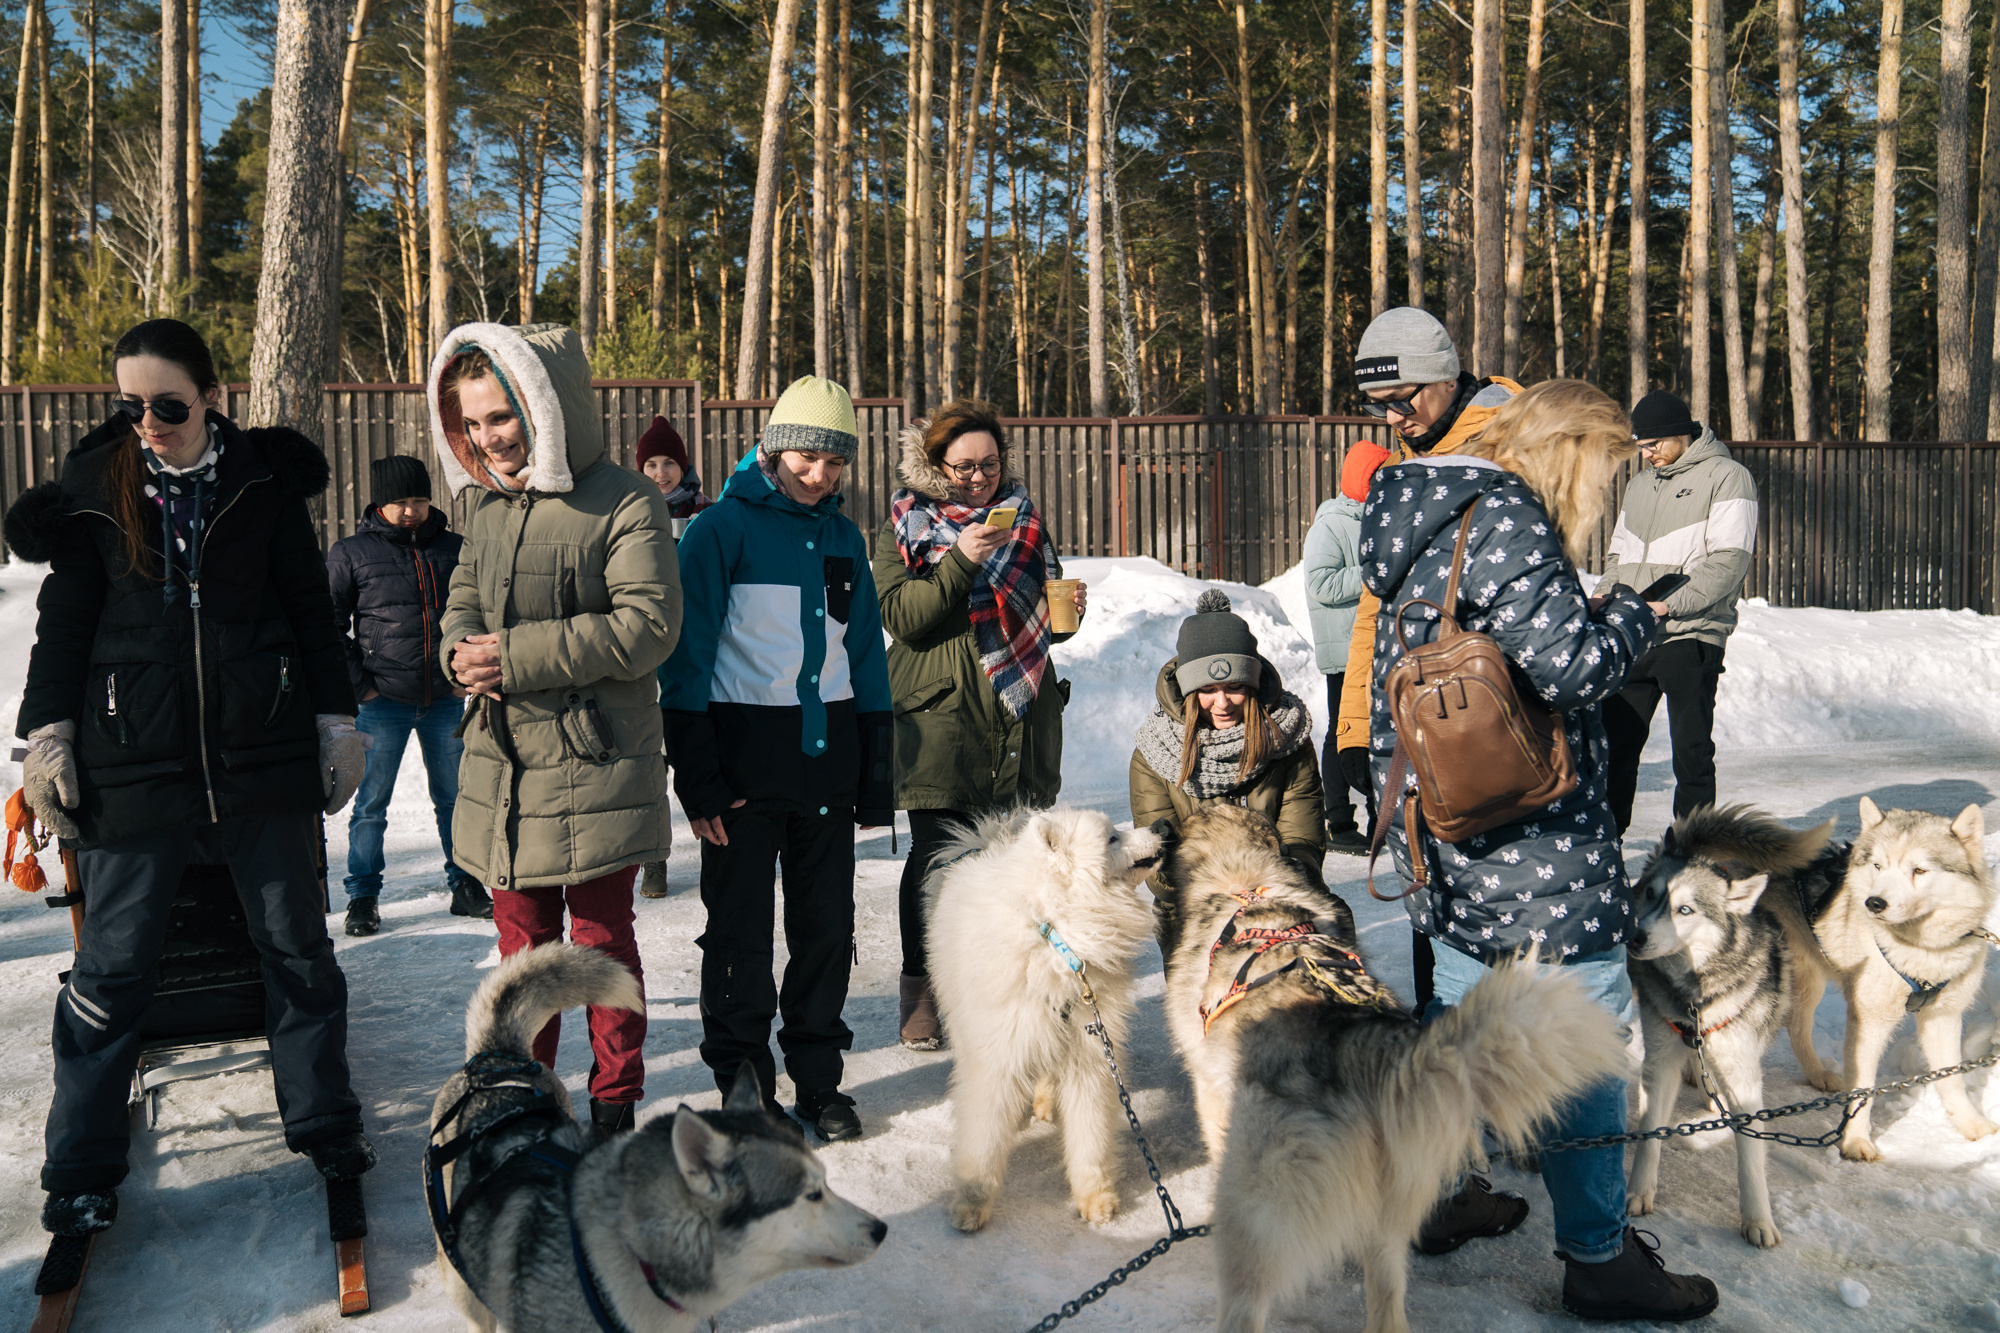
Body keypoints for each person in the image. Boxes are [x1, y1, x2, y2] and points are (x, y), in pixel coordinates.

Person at [7, 318, 375, 1238]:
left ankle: (324, 1121)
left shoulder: (261, 487)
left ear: (213, 396)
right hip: (132, 769)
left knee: (296, 950)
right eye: (130, 405)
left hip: (263, 761)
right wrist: (47, 736)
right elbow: (63, 629)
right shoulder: (95, 494)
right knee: (114, 966)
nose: (148, 422)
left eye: (167, 404)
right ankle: (82, 1163)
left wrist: (338, 723)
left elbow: (307, 611)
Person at [1360, 379, 1718, 1322]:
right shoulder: (1511, 514)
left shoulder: (1419, 507)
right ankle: (1600, 1258)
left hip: (1440, 815)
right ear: (1570, 454)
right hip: (1527, 836)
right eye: (1604, 474)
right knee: (1587, 1038)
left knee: (1457, 1026)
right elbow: (1572, 666)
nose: (1603, 497)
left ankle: (1437, 1197)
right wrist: (1635, 614)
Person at [433, 321, 681, 1140]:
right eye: (470, 423)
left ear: (545, 407)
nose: (486, 438)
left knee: (601, 944)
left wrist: (515, 656)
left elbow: (648, 626)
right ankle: (525, 1096)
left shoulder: (624, 498)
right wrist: (455, 655)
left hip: (596, 763)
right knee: (522, 953)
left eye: (499, 416)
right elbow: (462, 604)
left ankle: (614, 1100)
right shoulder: (483, 506)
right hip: (503, 768)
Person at [660, 375, 893, 1143]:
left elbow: (864, 657)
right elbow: (687, 660)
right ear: (771, 447)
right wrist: (696, 778)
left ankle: (820, 1081)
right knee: (740, 934)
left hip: (824, 766)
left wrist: (875, 772)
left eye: (833, 463)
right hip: (740, 775)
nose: (818, 475)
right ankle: (743, 1083)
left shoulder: (845, 539)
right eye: (804, 456)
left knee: (826, 931)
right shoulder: (718, 531)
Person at [874, 401, 1086, 1051]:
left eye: (989, 464)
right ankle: (923, 989)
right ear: (936, 465)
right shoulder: (906, 521)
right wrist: (961, 559)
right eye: (963, 466)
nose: (978, 478)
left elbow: (1041, 617)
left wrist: (1068, 614)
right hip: (938, 719)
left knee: (1012, 863)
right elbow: (901, 615)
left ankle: (999, 988)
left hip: (1018, 714)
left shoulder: (1023, 518)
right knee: (937, 859)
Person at [1340, 306, 1523, 1009]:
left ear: (1445, 378)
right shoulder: (1406, 465)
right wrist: (1355, 726)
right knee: (1429, 903)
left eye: (1400, 398)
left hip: (1493, 723)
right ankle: (1442, 1059)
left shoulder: (1517, 444)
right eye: (1374, 404)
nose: (1389, 417)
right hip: (1417, 729)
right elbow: (1372, 610)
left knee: (1502, 924)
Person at [326, 454, 486, 935]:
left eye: (419, 500)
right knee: (371, 803)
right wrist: (364, 687)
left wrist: (465, 671)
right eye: (401, 503)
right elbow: (328, 626)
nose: (412, 511)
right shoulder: (351, 552)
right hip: (383, 703)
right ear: (380, 503)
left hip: (444, 698)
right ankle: (363, 898)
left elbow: (480, 611)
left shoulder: (456, 547)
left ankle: (465, 884)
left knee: (455, 798)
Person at [1600, 390, 1758, 835]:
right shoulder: (1639, 485)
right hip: (1636, 633)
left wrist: (1668, 604)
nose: (1647, 454)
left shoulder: (1729, 477)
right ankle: (1606, 849)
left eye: (1654, 445)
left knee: (1689, 752)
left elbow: (1729, 562)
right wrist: (1605, 599)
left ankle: (1692, 853)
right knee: (1617, 746)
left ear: (1682, 434)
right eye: (1641, 447)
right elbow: (1618, 558)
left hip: (1691, 633)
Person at [1129, 589, 1323, 856]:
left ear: (1252, 686)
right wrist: (1165, 858)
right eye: (1207, 690)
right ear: (1189, 693)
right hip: (1196, 894)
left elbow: (1304, 842)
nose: (1222, 703)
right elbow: (1160, 880)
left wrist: (1290, 869)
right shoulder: (1154, 752)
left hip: (1278, 886)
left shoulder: (1288, 739)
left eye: (1234, 687)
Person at [1302, 440, 1388, 855]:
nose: (1382, 484)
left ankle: (1379, 819)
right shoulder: (1331, 524)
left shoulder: (1380, 517)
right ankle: (1338, 820)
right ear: (1359, 478)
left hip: (1374, 647)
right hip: (1344, 651)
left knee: (1379, 733)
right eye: (1375, 477)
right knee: (1344, 733)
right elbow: (1321, 583)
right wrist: (1373, 573)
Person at [635, 414, 714, 519]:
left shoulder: (708, 511)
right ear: (642, 472)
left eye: (669, 463)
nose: (661, 473)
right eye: (652, 465)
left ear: (682, 467)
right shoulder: (630, 511)